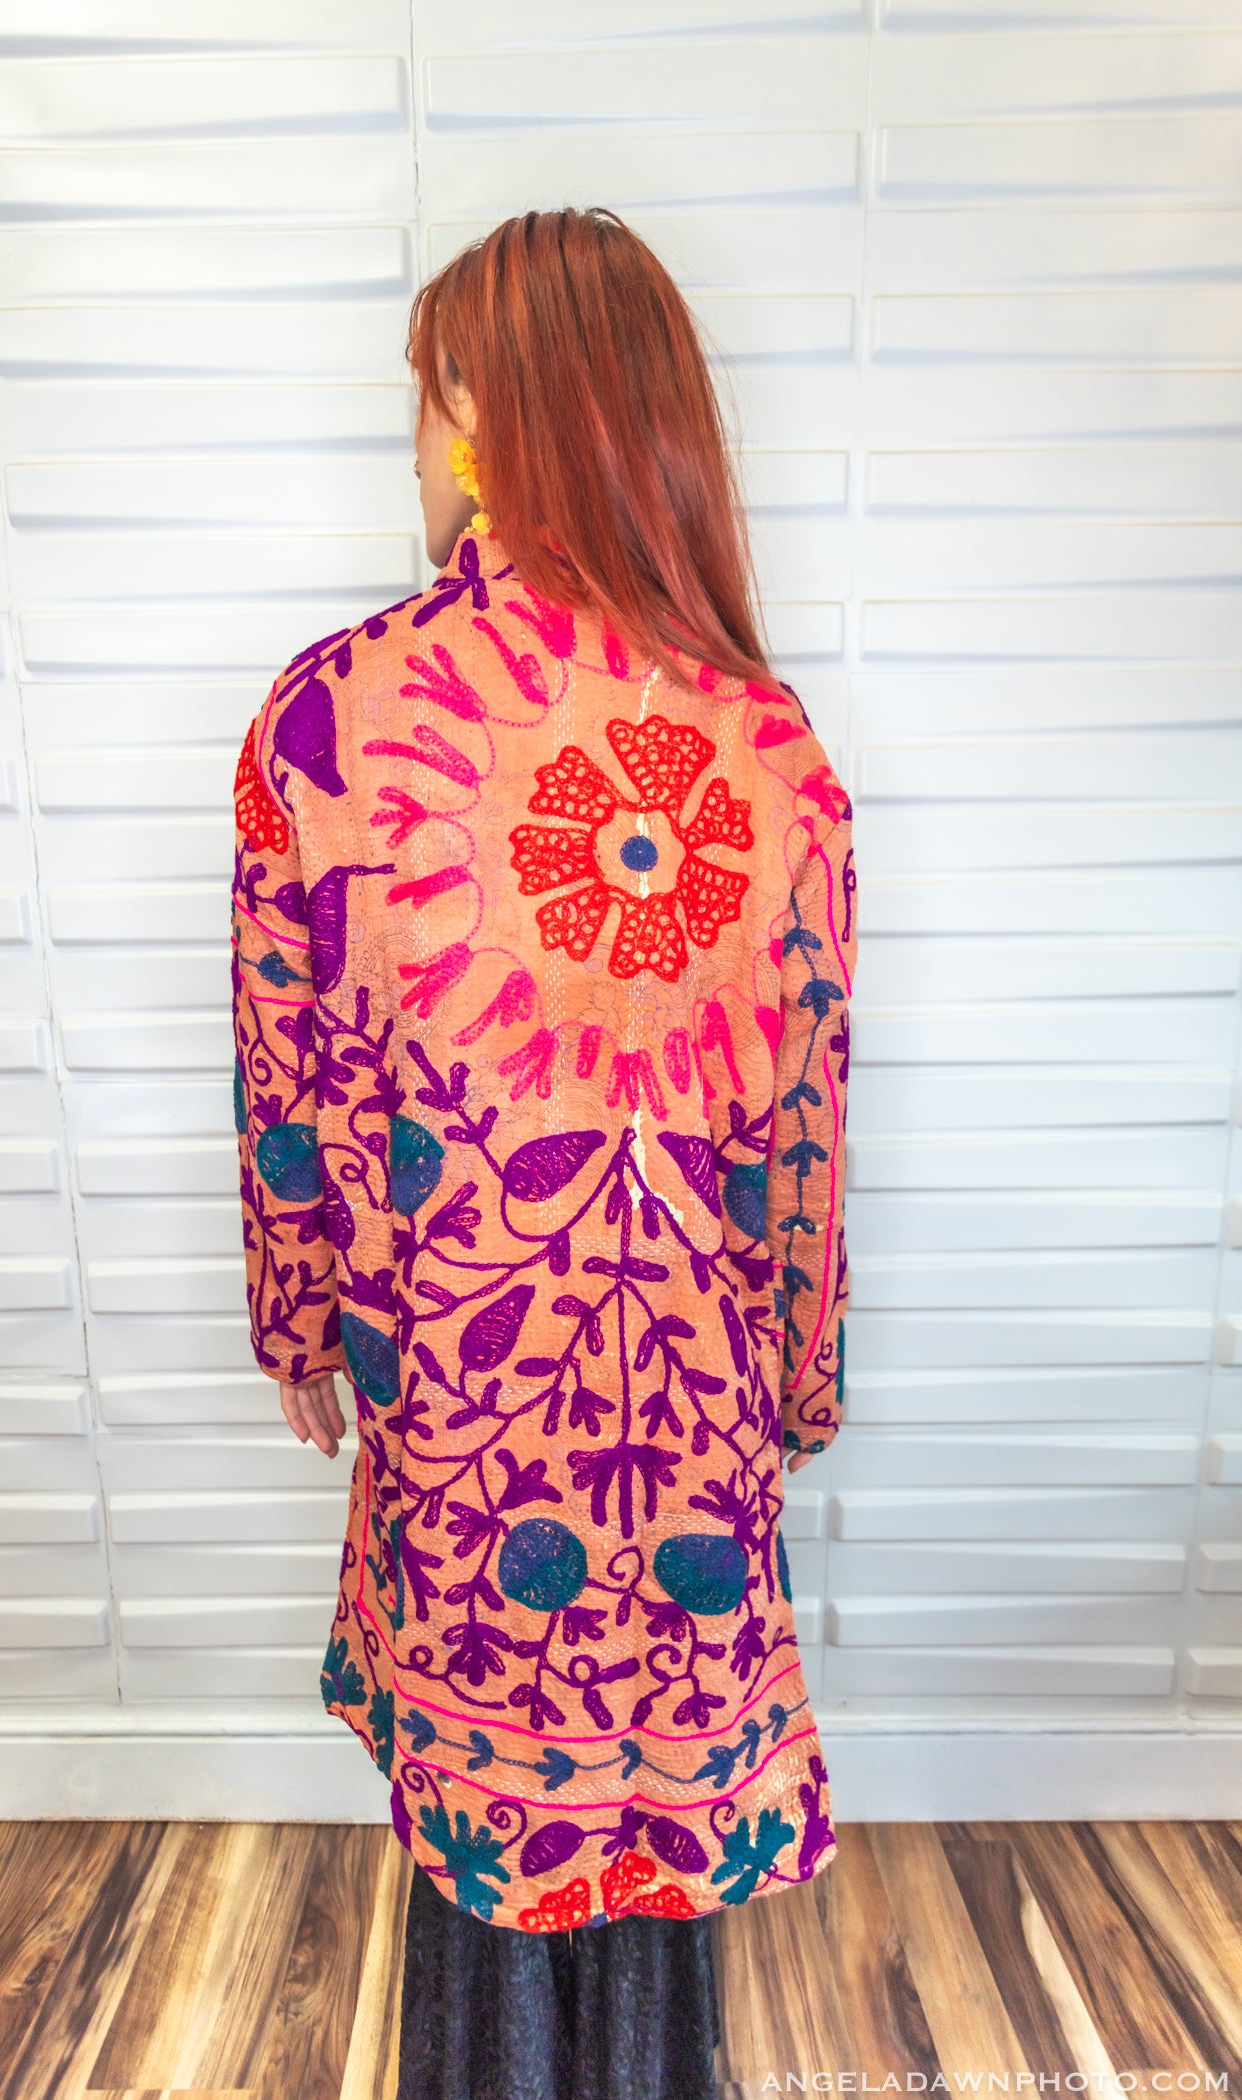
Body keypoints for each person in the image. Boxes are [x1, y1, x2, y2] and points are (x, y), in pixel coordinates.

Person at [231, 206, 857, 2100]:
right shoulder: (773, 749)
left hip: (465, 1403)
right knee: (658, 1871)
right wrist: (799, 1372)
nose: (410, 454)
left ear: (489, 418)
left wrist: (298, 1318)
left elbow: (294, 1077)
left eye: (419, 407)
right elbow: (808, 1115)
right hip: (686, 1406)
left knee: (479, 1876)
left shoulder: (333, 720)